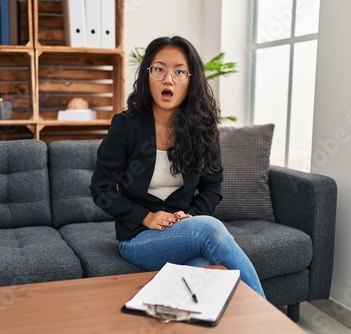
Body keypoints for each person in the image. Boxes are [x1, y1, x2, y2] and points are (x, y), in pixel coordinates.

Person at [89, 36, 265, 298]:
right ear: (148, 75)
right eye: (159, 69)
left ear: (190, 80)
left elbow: (212, 187)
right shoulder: (126, 126)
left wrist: (191, 215)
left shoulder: (202, 129)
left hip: (185, 230)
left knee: (201, 268)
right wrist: (144, 216)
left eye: (179, 71)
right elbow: (101, 188)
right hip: (138, 238)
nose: (168, 79)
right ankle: (268, 321)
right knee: (211, 229)